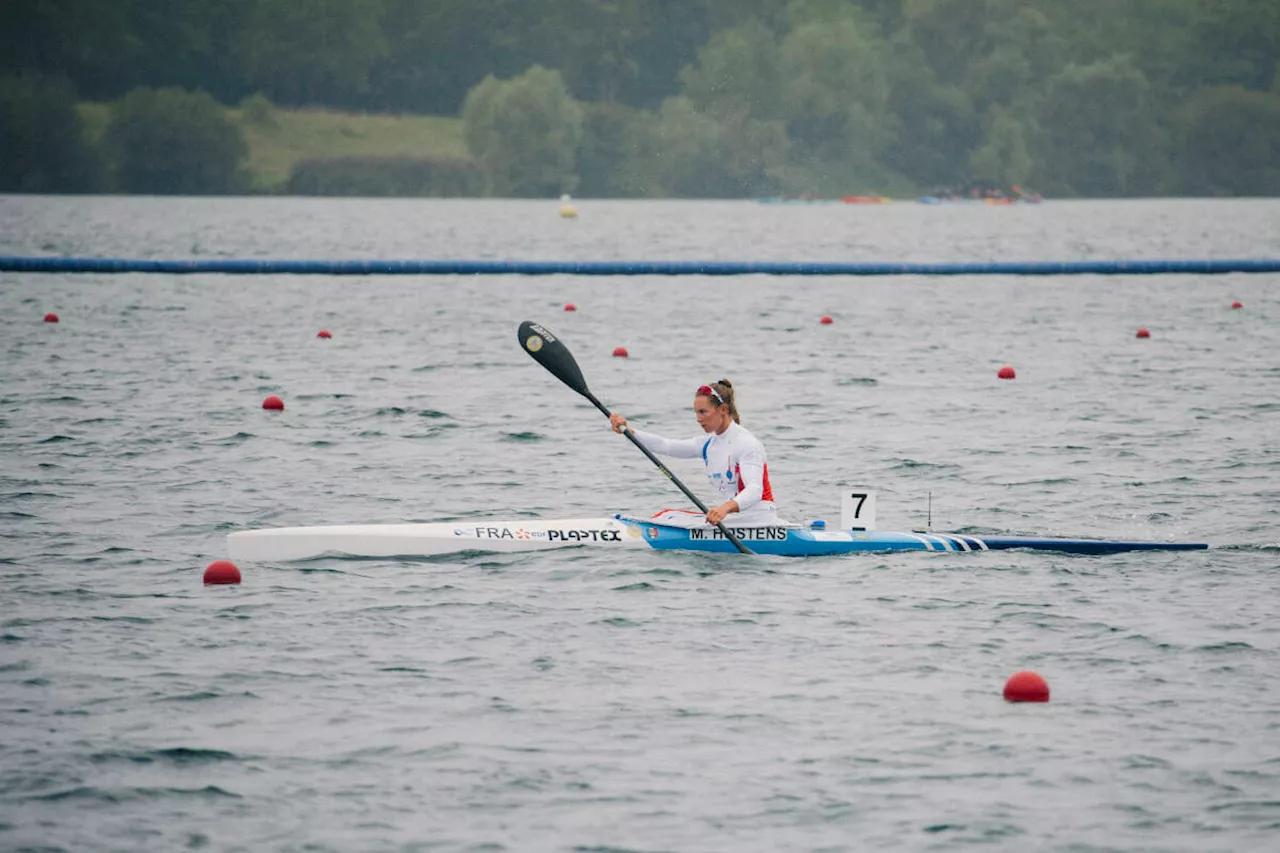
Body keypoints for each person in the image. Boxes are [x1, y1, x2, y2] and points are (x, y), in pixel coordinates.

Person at [608, 379, 778, 527]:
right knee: (667, 515)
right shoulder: (708, 444)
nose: (698, 418)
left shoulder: (747, 443)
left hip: (759, 520)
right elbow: (666, 445)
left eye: (703, 412)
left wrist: (724, 508)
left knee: (669, 517)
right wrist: (629, 431)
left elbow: (755, 490)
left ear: (723, 410)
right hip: (735, 520)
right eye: (696, 412)